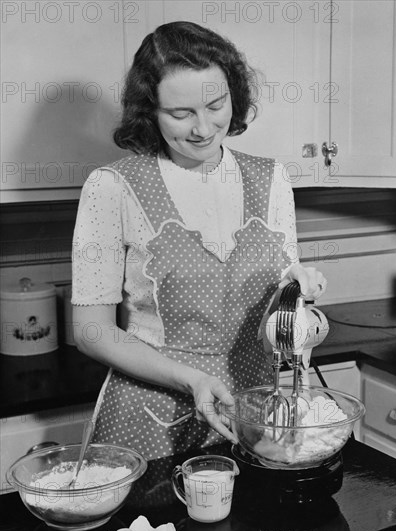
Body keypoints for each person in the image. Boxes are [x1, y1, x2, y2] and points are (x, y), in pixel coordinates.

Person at [71, 21, 327, 461]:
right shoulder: (112, 187)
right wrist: (190, 379)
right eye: (180, 113)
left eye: (215, 104)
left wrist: (296, 292)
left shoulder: (272, 180)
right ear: (149, 110)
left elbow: (275, 314)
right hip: (149, 417)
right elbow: (92, 332)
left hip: (251, 413)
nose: (204, 128)